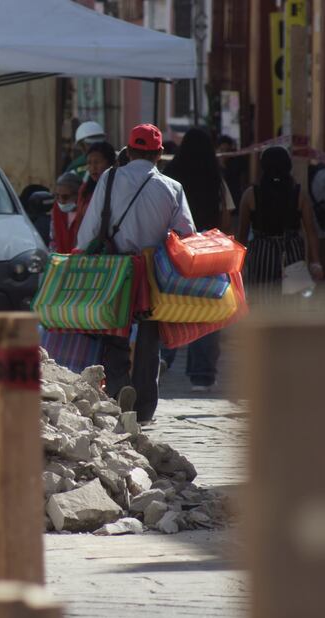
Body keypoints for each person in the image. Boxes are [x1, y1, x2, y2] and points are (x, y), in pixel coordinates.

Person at [76, 124, 196, 423]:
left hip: (115, 267)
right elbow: (187, 235)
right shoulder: (173, 187)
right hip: (154, 271)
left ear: (128, 152)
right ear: (159, 154)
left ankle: (118, 388)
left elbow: (89, 230)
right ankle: (144, 407)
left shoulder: (110, 177)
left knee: (112, 333)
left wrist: (84, 252)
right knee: (149, 337)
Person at [161, 128, 237, 391]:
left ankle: (163, 358)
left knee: (170, 305)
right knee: (207, 310)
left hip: (175, 249)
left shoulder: (169, 176)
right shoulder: (216, 178)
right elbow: (226, 219)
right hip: (208, 252)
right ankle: (202, 375)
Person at [237, 146, 324, 299]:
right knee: (293, 305)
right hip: (293, 255)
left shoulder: (251, 195)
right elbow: (311, 232)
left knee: (262, 302)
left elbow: (242, 234)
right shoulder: (299, 194)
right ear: (288, 166)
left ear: (263, 166)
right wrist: (315, 262)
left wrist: (239, 265)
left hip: (261, 257)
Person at [50, 171, 83, 254]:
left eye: (65, 197)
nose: (61, 201)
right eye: (57, 196)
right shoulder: (56, 210)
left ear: (78, 194)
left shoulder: (86, 211)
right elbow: (53, 239)